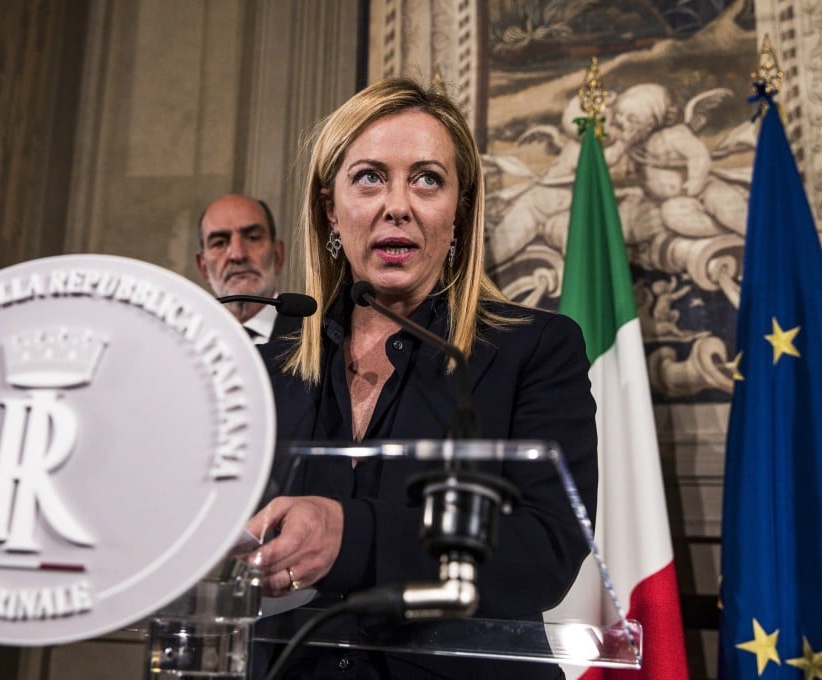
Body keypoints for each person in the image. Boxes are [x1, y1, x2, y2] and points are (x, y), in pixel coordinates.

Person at [244, 77, 598, 679]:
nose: (398, 205)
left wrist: (349, 535)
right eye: (369, 177)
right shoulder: (268, 362)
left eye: (427, 179)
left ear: (459, 214)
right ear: (331, 208)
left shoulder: (532, 348)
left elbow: (546, 549)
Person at [196, 193, 300, 343]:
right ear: (203, 268)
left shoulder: (317, 338)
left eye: (253, 238)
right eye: (219, 243)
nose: (237, 255)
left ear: (278, 255)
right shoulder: (184, 343)